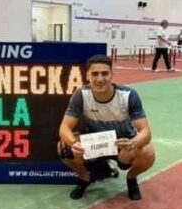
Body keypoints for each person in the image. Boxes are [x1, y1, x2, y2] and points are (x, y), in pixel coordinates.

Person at [58, 54, 155, 201]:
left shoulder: (128, 95)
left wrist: (132, 143)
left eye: (104, 73)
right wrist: (74, 144)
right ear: (87, 76)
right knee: (63, 148)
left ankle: (131, 178)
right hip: (95, 144)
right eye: (95, 74)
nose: (100, 79)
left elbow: (146, 133)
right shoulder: (81, 95)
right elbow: (64, 128)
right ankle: (85, 177)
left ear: (112, 75)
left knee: (148, 153)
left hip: (123, 145)